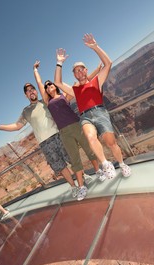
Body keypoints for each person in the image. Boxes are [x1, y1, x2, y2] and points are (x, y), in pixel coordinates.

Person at [54, 33, 131, 179]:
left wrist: (95, 47)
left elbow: (108, 63)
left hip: (100, 112)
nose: (79, 71)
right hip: (85, 117)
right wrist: (59, 62)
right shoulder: (74, 90)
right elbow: (57, 82)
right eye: (76, 70)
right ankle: (105, 163)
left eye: (81, 68)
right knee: (90, 137)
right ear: (75, 75)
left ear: (86, 70)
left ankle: (122, 164)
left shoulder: (96, 81)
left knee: (111, 143)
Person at [0, 83, 79, 199]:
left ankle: (82, 178)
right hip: (45, 144)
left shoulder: (46, 102)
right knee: (61, 166)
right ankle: (74, 186)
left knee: (72, 159)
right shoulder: (26, 111)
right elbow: (17, 126)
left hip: (59, 135)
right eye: (28, 91)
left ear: (36, 91)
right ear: (25, 95)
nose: (31, 91)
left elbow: (62, 101)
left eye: (32, 89)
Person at [33, 61, 106, 201]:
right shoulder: (48, 102)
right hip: (64, 133)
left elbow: (82, 82)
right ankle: (81, 186)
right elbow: (39, 83)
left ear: (55, 86)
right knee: (74, 159)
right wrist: (35, 70)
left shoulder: (65, 96)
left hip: (77, 125)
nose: (48, 87)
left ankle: (98, 171)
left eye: (51, 84)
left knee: (89, 149)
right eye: (47, 86)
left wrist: (97, 69)